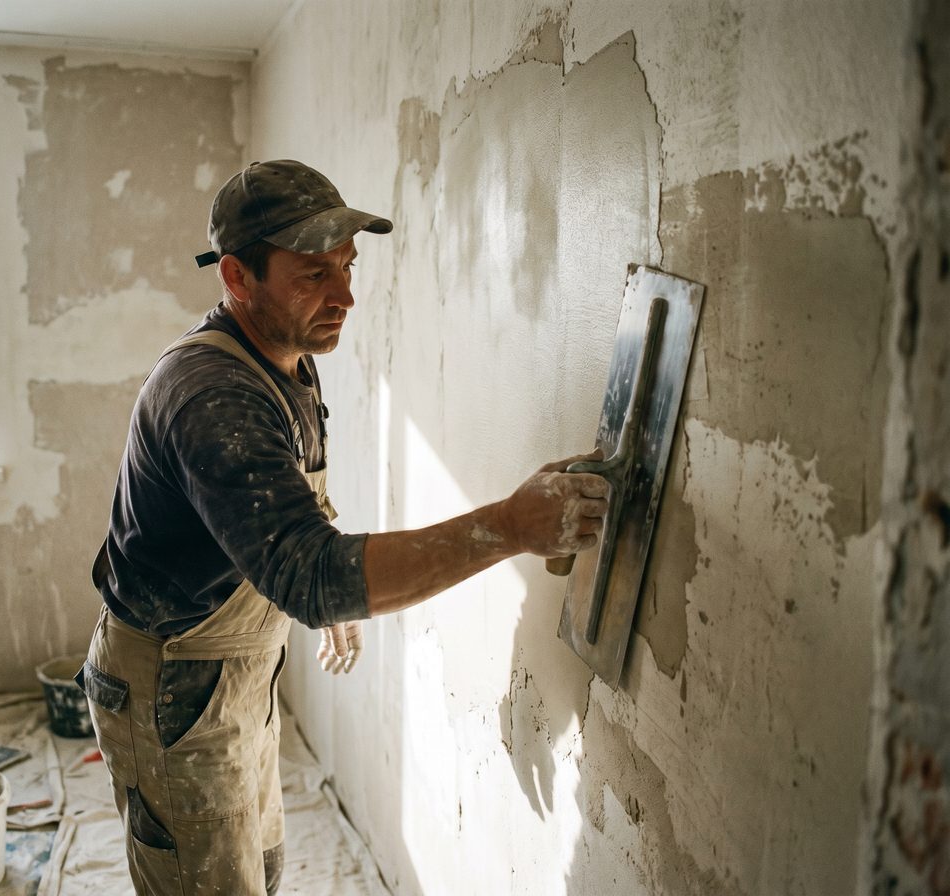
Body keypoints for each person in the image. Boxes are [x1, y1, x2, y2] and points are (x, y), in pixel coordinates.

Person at [79, 159, 608, 895]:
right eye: (313, 275)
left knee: (255, 868)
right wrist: (511, 526)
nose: (346, 296)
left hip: (233, 676)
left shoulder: (285, 356)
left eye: (347, 266)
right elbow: (313, 575)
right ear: (237, 278)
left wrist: (310, 582)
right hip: (172, 686)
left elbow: (289, 513)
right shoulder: (214, 397)